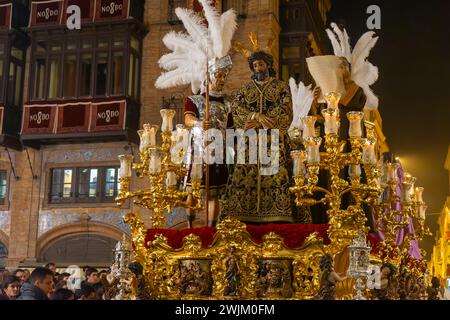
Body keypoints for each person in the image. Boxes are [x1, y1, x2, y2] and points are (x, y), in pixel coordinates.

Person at [155, 0, 238, 227]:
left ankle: (211, 227)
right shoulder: (194, 100)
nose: (220, 79)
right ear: (208, 76)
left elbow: (231, 129)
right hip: (199, 150)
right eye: (217, 76)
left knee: (215, 192)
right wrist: (202, 124)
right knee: (194, 186)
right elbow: (189, 120)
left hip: (220, 151)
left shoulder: (227, 103)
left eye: (223, 76)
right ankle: (191, 225)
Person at [221, 42, 295, 224]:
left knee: (276, 174)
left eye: (260, 64)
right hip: (250, 142)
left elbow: (285, 109)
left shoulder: (281, 87)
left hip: (273, 139)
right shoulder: (246, 89)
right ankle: (245, 212)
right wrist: (255, 115)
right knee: (245, 176)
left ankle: (277, 214)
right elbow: (236, 108)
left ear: (268, 65)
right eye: (254, 65)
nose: (258, 68)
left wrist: (263, 121)